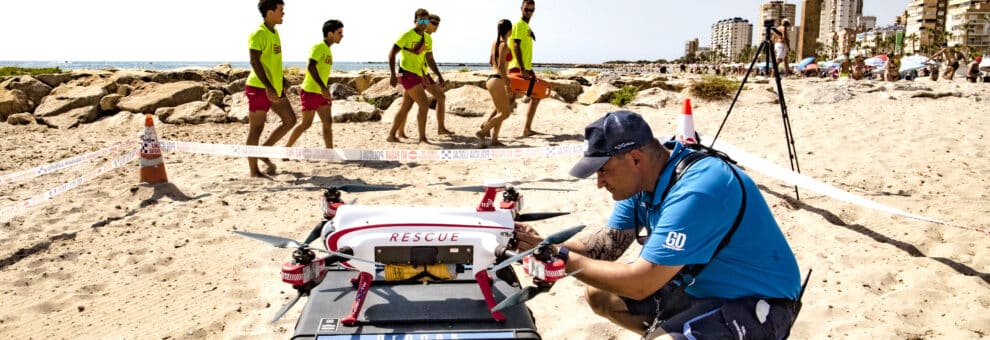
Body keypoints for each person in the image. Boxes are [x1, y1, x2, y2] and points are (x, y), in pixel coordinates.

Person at [513, 111, 802, 339]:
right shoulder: (643, 181)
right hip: (701, 291)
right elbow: (609, 243)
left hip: (760, 303)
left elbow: (640, 284)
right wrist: (546, 247)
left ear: (635, 158)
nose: (599, 183)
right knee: (600, 295)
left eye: (603, 171)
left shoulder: (697, 189)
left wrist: (561, 260)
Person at [245, 0, 296, 177]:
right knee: (256, 129)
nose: (283, 13)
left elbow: (271, 62)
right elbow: (254, 61)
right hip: (259, 88)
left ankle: (264, 150)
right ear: (269, 11)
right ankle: (254, 171)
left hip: (274, 87)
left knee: (290, 120)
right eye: (281, 10)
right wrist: (268, 86)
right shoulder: (258, 33)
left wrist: (281, 80)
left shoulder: (275, 33)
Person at [284, 19, 344, 150]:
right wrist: (323, 87)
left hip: (322, 93)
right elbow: (311, 66)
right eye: (339, 32)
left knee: (328, 123)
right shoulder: (318, 47)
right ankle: (287, 149)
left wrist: (324, 89)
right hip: (311, 91)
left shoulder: (328, 50)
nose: (342, 35)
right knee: (306, 124)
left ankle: (329, 151)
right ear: (330, 33)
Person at [394, 14, 450, 138]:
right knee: (410, 104)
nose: (436, 26)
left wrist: (436, 74)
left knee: (438, 97)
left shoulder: (428, 38)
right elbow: (404, 57)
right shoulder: (415, 36)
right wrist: (399, 75)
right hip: (413, 74)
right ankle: (402, 133)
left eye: (438, 23)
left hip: (421, 73)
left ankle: (440, 128)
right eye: (433, 22)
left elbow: (427, 58)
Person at [387, 8, 436, 144]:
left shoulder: (428, 39)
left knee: (406, 107)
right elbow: (392, 53)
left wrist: (428, 74)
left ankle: (391, 135)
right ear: (415, 21)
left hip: (418, 74)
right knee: (424, 104)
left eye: (426, 20)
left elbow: (428, 59)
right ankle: (422, 138)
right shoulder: (406, 35)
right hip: (406, 73)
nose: (423, 23)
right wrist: (392, 74)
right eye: (421, 20)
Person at [476, 19, 516, 148]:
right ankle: (483, 131)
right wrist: (507, 84)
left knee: (500, 111)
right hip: (498, 79)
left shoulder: (494, 43)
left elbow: (491, 61)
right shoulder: (504, 45)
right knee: (505, 113)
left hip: (491, 78)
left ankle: (495, 139)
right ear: (509, 31)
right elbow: (500, 66)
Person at [509, 0, 542, 137]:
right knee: (508, 101)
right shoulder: (518, 25)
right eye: (526, 9)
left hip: (527, 69)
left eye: (531, 10)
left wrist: (528, 68)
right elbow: (516, 45)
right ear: (521, 8)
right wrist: (522, 68)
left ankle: (527, 129)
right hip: (518, 68)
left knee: (536, 96)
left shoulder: (526, 27)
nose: (529, 12)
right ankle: (486, 126)